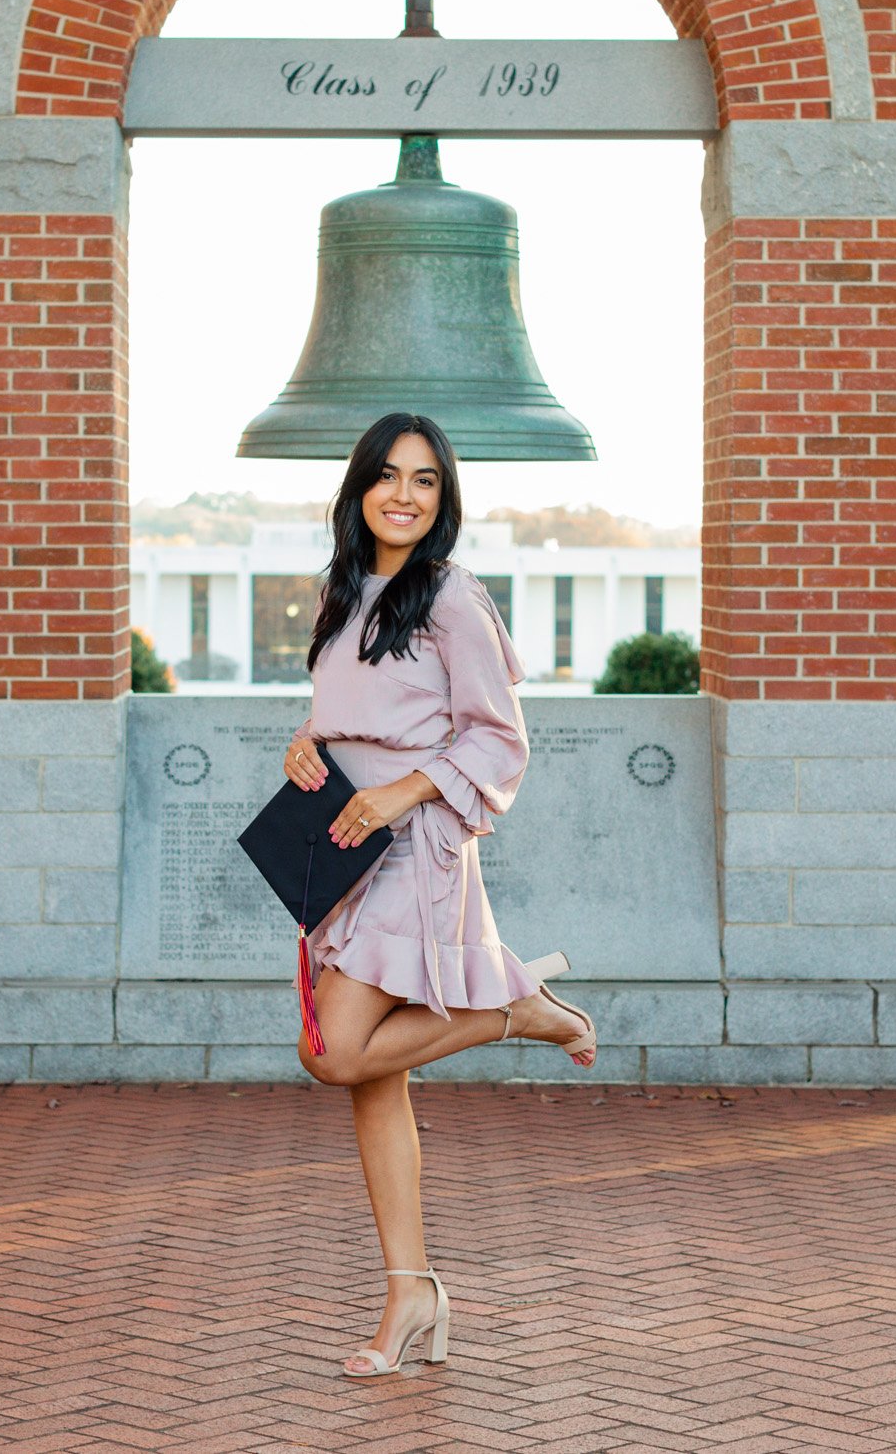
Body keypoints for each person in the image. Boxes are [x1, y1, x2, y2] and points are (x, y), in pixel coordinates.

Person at [280, 410, 598, 1379]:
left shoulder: (452, 597)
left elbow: (498, 738)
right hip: (339, 847)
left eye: (424, 479)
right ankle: (410, 1288)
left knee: (330, 1050)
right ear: (358, 489)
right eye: (385, 475)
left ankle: (512, 1009)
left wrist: (400, 790)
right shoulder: (344, 591)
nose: (403, 494)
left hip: (411, 846)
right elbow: (359, 709)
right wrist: (308, 743)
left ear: (444, 496)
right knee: (374, 1077)